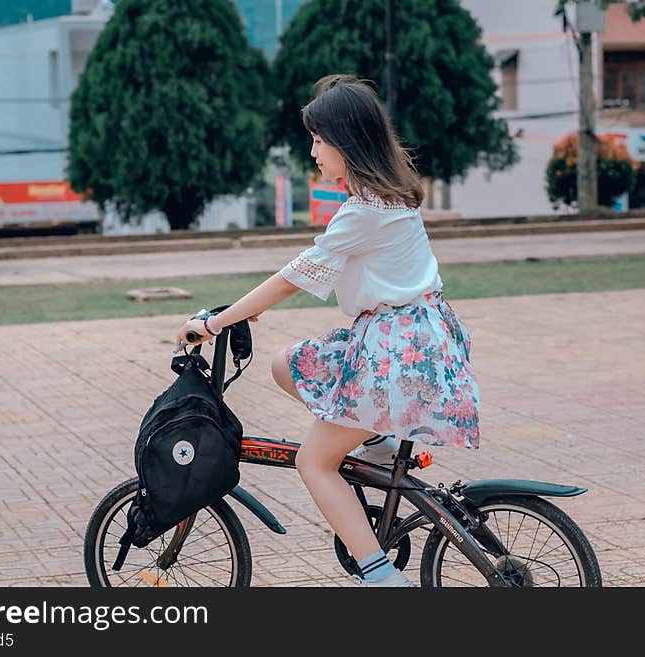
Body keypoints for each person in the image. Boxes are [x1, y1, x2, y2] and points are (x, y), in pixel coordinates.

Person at [175, 74, 481, 587]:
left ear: (347, 142)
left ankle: (381, 578)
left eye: (319, 139)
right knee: (285, 364)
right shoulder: (386, 196)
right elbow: (308, 272)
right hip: (407, 340)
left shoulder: (364, 211)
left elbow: (297, 274)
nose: (313, 150)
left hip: (396, 350)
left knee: (314, 462)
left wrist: (215, 323)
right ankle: (379, 441)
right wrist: (247, 313)